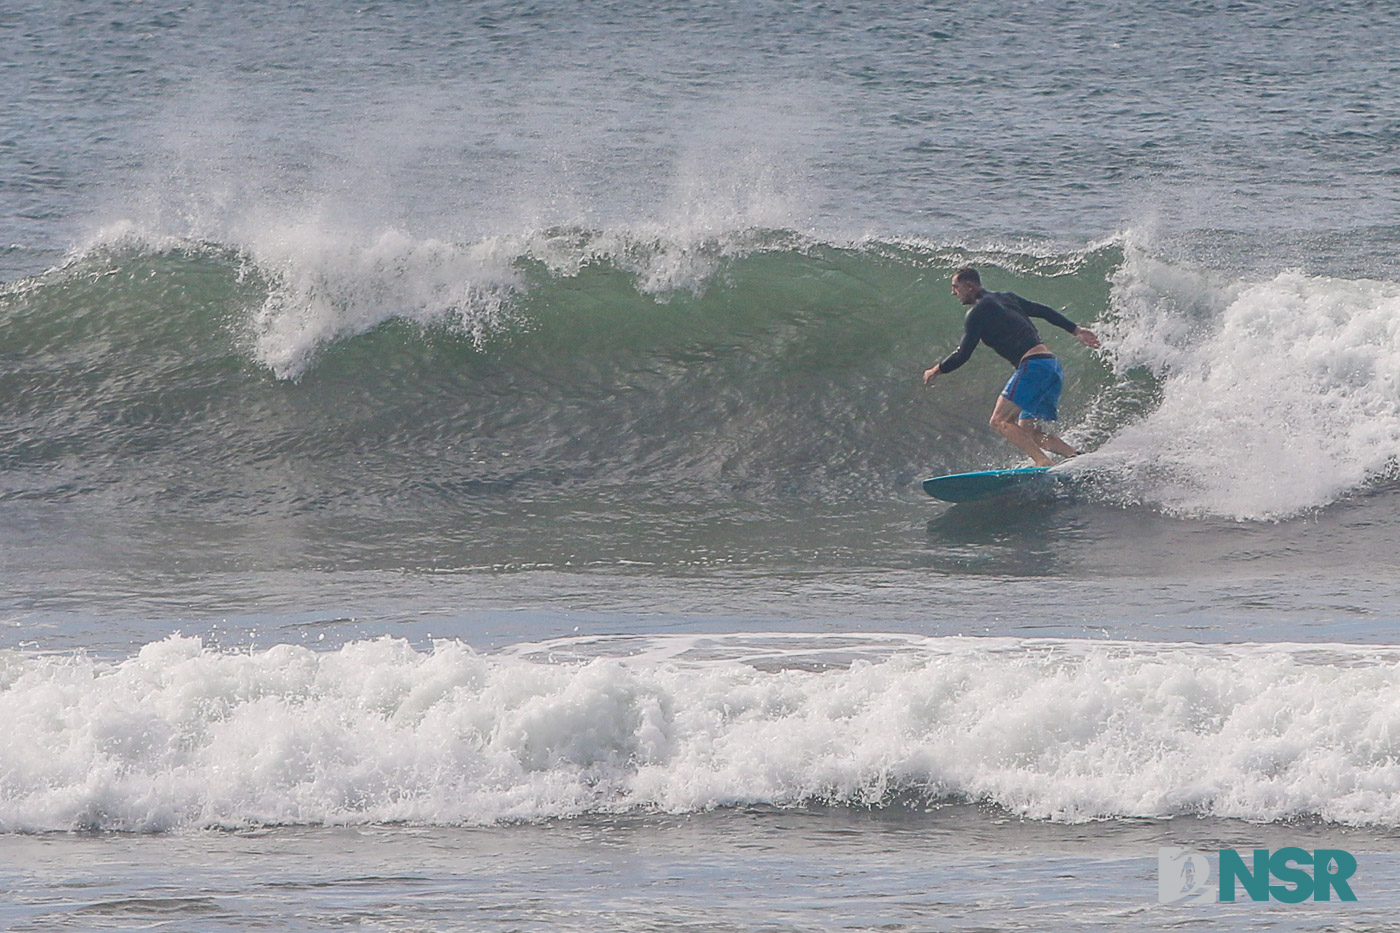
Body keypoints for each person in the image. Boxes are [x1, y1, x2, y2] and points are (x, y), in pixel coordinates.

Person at [922, 266, 1100, 467]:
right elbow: (1042, 311)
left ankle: (1043, 462)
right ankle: (1078, 458)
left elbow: (963, 354)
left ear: (970, 287)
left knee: (1000, 421)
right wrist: (1076, 330)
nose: (953, 292)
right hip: (1051, 366)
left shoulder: (977, 312)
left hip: (1033, 368)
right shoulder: (1006, 297)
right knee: (1030, 432)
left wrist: (936, 369)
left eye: (956, 287)